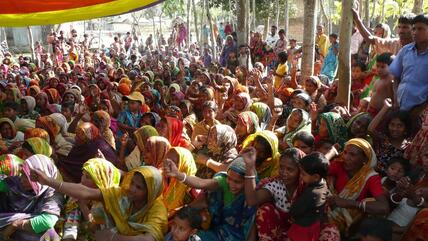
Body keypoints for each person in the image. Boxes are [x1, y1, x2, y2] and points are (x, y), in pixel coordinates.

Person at [30, 165, 168, 241]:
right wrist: (49, 181)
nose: (131, 189)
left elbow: (148, 239)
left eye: (139, 188)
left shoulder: (157, 209)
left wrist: (113, 237)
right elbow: (86, 192)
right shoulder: (122, 194)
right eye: (132, 183)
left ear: (150, 192)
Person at [164, 156, 256, 241]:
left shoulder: (253, 197)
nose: (231, 184)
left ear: (247, 181)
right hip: (215, 231)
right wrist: (178, 175)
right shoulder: (223, 182)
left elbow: (251, 231)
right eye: (229, 178)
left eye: (237, 182)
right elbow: (202, 183)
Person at [328, 138, 389, 236]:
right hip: (330, 207)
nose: (346, 157)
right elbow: (313, 169)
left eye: (352, 155)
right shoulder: (339, 165)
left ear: (364, 159)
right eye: (345, 152)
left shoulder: (370, 177)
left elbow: (384, 207)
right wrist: (331, 152)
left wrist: (350, 203)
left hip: (349, 220)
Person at [244, 148, 306, 241]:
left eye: (290, 169)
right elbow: (253, 200)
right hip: (281, 233)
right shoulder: (277, 184)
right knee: (265, 210)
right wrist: (249, 168)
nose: (284, 173)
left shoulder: (307, 187)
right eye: (281, 167)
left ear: (300, 171)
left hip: (303, 234)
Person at [0, 154, 63, 240]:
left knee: (45, 231)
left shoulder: (53, 193)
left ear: (42, 177)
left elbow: (48, 221)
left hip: (28, 230)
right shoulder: (17, 182)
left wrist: (16, 224)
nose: (22, 179)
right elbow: (3, 185)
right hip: (8, 223)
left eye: (27, 177)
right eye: (22, 174)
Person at [390, 14, 428, 113]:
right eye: (414, 29)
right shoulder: (405, 50)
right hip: (400, 107)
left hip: (422, 112)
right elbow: (396, 77)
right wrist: (395, 99)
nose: (415, 32)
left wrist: (420, 110)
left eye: (420, 29)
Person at [287, 152, 330, 241]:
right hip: (314, 224)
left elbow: (295, 211)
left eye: (303, 174)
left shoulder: (312, 193)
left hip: (303, 229)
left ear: (315, 177)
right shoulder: (323, 182)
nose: (301, 176)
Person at [367, 53, 394, 117]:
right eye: (377, 66)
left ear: (391, 66)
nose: (379, 69)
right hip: (371, 110)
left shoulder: (390, 80)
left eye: (383, 67)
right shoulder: (378, 80)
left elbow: (391, 99)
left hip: (380, 113)